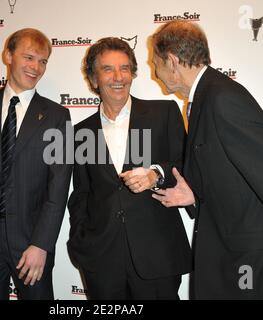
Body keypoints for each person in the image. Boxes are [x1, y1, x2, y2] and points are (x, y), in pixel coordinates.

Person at [149, 20, 263, 300]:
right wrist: (196, 196)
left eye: (154, 62)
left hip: (248, 267)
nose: (154, 71)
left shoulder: (222, 99)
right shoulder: (204, 99)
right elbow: (237, 179)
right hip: (230, 259)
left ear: (172, 61)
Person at [67, 37, 192, 300]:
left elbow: (187, 165)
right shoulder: (81, 133)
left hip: (156, 256)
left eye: (125, 68)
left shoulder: (163, 113)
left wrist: (155, 174)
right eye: (108, 69)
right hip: (101, 260)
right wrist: (80, 240)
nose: (118, 77)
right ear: (93, 78)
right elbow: (82, 193)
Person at [0, 28, 72, 300]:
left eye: (43, 61)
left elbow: (58, 187)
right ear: (8, 55)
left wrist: (41, 244)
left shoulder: (58, 116)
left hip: (31, 245)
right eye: (29, 57)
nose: (36, 67)